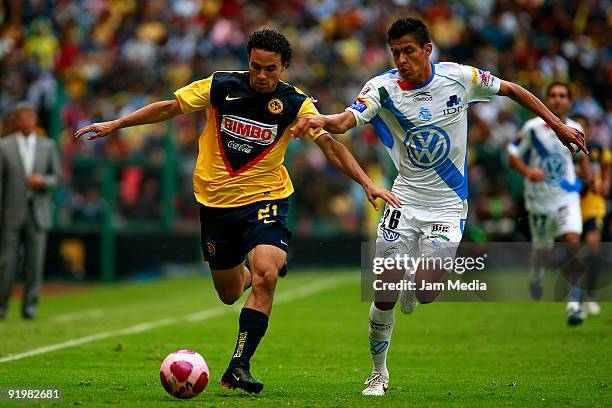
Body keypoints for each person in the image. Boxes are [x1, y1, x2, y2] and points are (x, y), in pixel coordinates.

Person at [75, 28, 400, 394]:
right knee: (230, 293)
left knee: (266, 276)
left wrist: (367, 183)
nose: (262, 76)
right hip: (215, 204)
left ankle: (238, 366)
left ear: (285, 67)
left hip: (266, 197)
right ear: (248, 61)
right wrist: (117, 124)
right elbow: (170, 107)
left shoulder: (295, 104)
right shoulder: (220, 86)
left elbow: (328, 145)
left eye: (271, 70)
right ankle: (261, 267)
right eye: (256, 67)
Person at [291, 17, 586, 396]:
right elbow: (347, 120)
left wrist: (557, 124)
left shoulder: (459, 78)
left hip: (448, 207)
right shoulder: (381, 89)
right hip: (404, 199)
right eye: (395, 52)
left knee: (428, 291)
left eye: (409, 51)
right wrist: (322, 119)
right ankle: (378, 373)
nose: (401, 59)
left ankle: (416, 284)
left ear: (427, 49)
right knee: (384, 291)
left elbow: (511, 89)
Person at [508, 82, 591, 325]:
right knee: (541, 251)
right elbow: (512, 154)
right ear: (546, 99)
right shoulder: (532, 127)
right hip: (539, 199)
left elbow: (585, 159)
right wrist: (527, 170)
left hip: (567, 197)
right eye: (552, 95)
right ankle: (536, 276)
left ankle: (575, 304)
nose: (556, 100)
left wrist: (591, 176)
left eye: (562, 96)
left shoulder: (576, 127)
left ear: (569, 101)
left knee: (573, 243)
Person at [0, 101, 62, 320]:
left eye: (30, 117)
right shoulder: (4, 146)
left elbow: (58, 177)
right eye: (22, 117)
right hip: (11, 212)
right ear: (16, 121)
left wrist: (43, 180)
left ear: (35, 120)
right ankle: (2, 306)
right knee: (6, 263)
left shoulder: (48, 145)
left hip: (38, 211)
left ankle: (30, 307)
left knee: (35, 264)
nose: (26, 121)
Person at [573, 113, 610, 316]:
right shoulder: (565, 147)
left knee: (593, 247)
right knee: (576, 253)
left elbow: (606, 167)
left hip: (594, 203)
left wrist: (606, 183)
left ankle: (590, 295)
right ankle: (576, 295)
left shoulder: (597, 148)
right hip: (573, 203)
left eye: (583, 125)